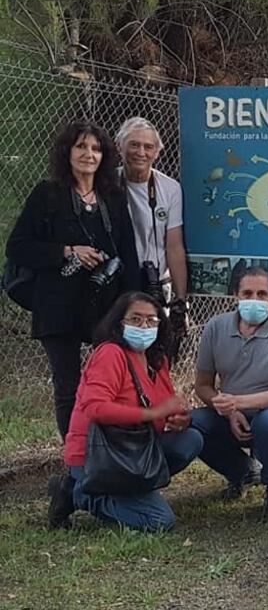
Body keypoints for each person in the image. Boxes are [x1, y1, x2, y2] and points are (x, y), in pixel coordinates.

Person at [6, 120, 140, 439]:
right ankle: (75, 454)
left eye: (95, 148)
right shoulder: (47, 194)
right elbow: (18, 246)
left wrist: (134, 303)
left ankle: (110, 450)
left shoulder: (113, 197)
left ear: (104, 156)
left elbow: (128, 253)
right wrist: (67, 251)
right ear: (67, 152)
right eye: (81, 146)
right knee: (68, 386)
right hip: (57, 304)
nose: (88, 154)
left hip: (104, 304)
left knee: (109, 381)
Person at [47, 292, 203, 530]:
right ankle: (79, 493)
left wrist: (178, 419)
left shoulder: (157, 360)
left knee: (189, 440)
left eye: (151, 320)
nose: (144, 326)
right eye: (135, 319)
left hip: (133, 450)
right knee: (159, 522)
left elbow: (164, 408)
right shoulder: (110, 353)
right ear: (119, 323)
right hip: (96, 456)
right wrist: (152, 414)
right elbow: (95, 408)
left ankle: (131, 491)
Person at [191, 267, 268, 519]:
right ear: (235, 296)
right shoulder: (215, 327)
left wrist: (235, 403)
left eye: (262, 294)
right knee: (195, 423)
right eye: (247, 293)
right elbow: (203, 385)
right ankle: (242, 472)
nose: (254, 299)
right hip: (231, 413)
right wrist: (229, 412)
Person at [115, 118, 189, 316]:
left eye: (148, 147)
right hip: (115, 282)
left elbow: (174, 246)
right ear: (119, 147)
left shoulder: (170, 189)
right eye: (134, 145)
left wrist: (180, 299)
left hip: (153, 283)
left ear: (157, 152)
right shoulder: (106, 183)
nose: (141, 153)